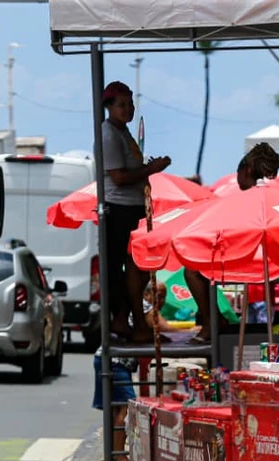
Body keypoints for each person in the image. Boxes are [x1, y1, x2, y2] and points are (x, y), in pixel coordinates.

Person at [184, 142, 279, 342]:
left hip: (253, 257)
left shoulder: (246, 198)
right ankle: (213, 319)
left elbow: (242, 236)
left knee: (192, 270)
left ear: (246, 170)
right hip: (271, 256)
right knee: (199, 266)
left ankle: (210, 321)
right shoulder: (273, 194)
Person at [99, 80, 171, 343]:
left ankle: (130, 318)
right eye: (122, 105)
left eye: (130, 104)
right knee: (133, 264)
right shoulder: (109, 134)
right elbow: (118, 177)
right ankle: (129, 319)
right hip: (120, 208)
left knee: (139, 265)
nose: (127, 109)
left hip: (133, 207)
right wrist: (151, 170)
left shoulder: (123, 132)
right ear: (109, 107)